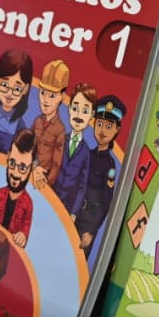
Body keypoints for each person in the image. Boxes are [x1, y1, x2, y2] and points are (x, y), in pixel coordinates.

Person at [75, 94, 124, 251]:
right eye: (100, 124)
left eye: (109, 126)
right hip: (74, 213)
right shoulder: (86, 154)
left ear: (117, 129)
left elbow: (105, 202)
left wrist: (91, 231)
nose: (102, 130)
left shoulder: (110, 166)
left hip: (89, 221)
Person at [0, 128, 35, 247]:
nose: (15, 173)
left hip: (11, 249)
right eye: (12, 163)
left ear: (31, 168)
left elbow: (25, 231)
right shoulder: (0, 193)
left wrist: (22, 237)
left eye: (22, 168)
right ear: (8, 157)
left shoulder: (28, 203)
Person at [54, 82, 96, 217]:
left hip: (67, 208)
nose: (78, 115)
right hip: (50, 198)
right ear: (69, 109)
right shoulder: (60, 139)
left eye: (85, 111)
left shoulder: (86, 152)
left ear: (91, 115)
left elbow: (82, 186)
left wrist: (73, 213)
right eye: (75, 108)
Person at [0, 48, 33, 155]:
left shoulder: (18, 124)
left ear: (25, 89)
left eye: (17, 88)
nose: (9, 93)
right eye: (4, 85)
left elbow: (24, 148)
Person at [31, 59, 69, 190]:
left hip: (44, 183)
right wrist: (33, 167)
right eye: (43, 93)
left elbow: (57, 165)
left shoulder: (60, 130)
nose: (45, 100)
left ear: (62, 96)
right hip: (29, 173)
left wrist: (46, 186)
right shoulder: (37, 121)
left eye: (52, 96)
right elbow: (28, 148)